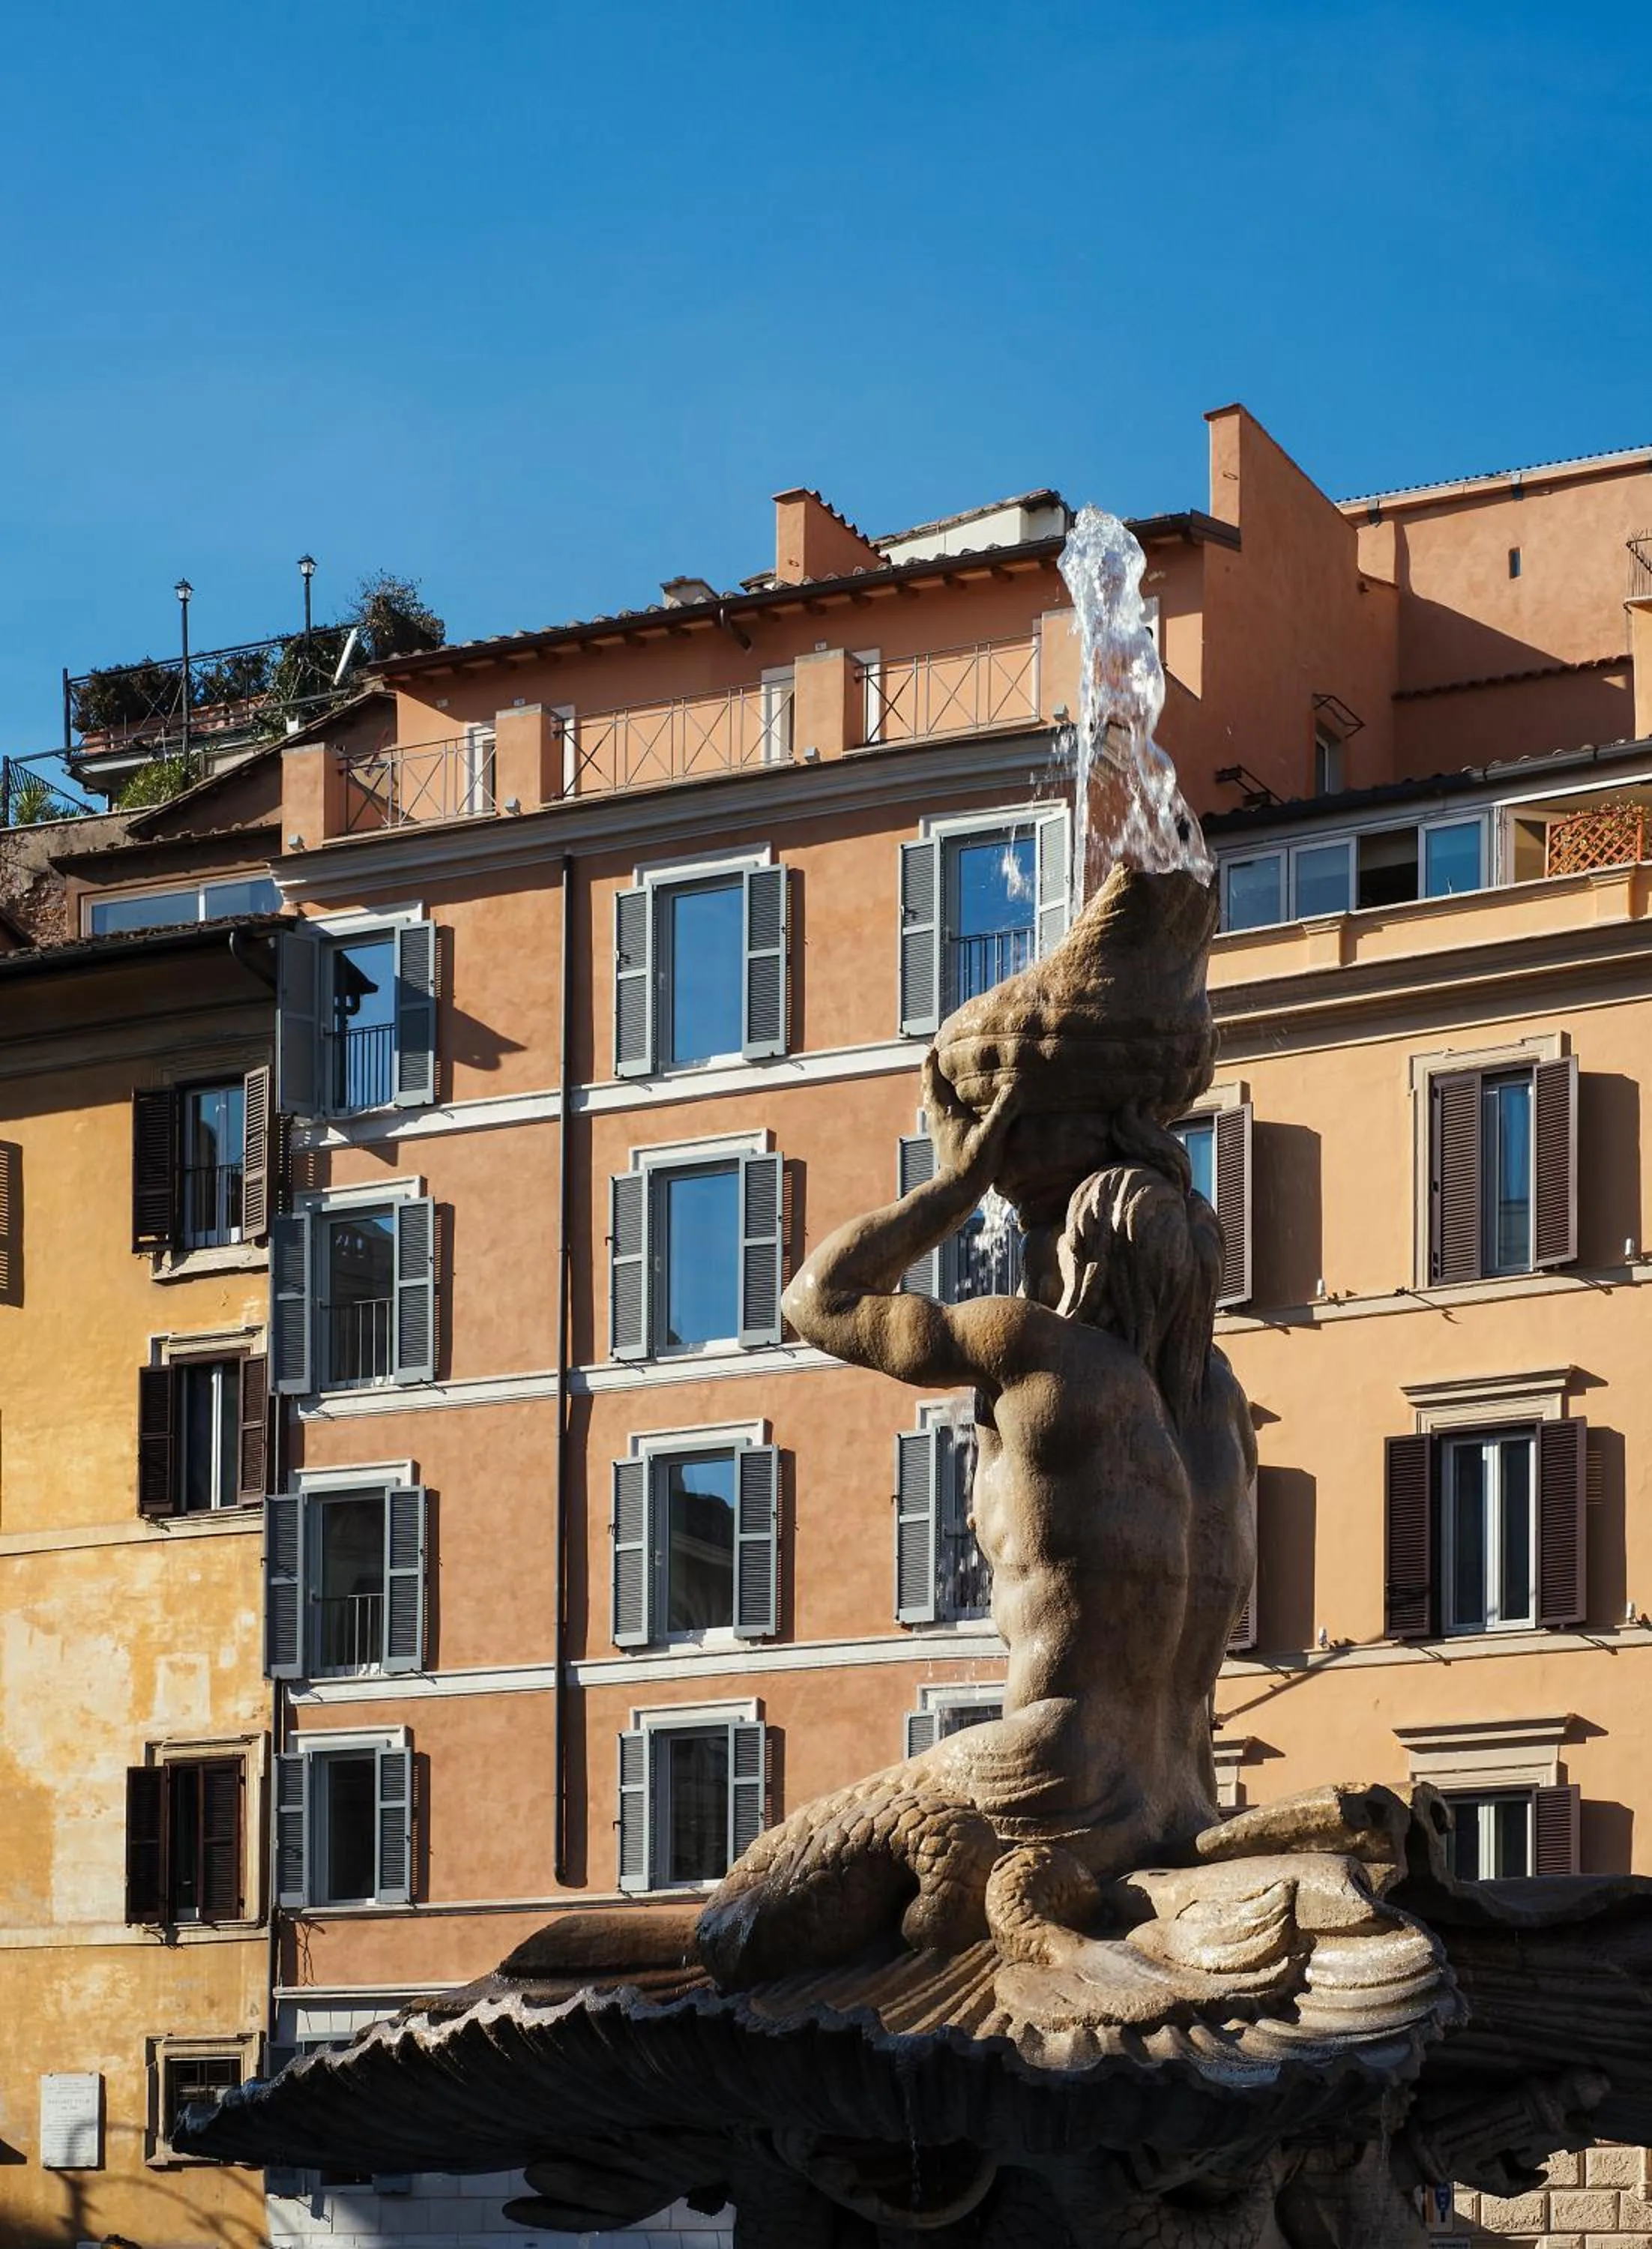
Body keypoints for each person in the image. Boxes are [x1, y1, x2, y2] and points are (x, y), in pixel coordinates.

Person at [782, 1050, 1256, 1882]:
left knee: (764, 1891)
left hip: (1049, 1772)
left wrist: (955, 1187)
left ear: (1078, 1259)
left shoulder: (1033, 1346)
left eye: (1037, 1252)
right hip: (1177, 1798)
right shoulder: (1219, 1407)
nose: (1025, 1274)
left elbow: (815, 1300)